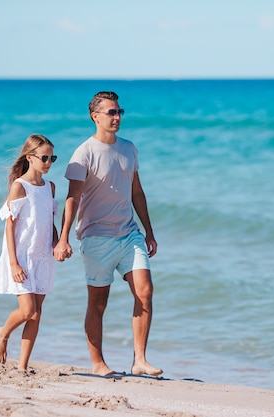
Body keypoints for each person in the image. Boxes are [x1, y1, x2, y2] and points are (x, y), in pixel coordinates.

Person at [54, 91, 162, 377]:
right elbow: (72, 198)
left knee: (145, 291)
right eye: (111, 112)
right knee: (98, 303)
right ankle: (98, 363)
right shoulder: (83, 153)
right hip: (96, 236)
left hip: (129, 234)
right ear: (95, 117)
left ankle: (139, 360)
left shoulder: (129, 148)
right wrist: (63, 237)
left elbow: (137, 191)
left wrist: (149, 231)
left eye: (119, 112)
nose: (116, 117)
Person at [0, 134, 59, 372]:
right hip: (21, 257)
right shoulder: (20, 186)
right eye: (44, 158)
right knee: (27, 310)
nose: (49, 162)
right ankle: (3, 332)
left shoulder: (50, 187)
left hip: (43, 257)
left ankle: (22, 366)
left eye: (52, 158)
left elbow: (49, 222)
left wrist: (58, 243)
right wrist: (13, 263)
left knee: (36, 314)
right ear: (30, 158)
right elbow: (9, 226)